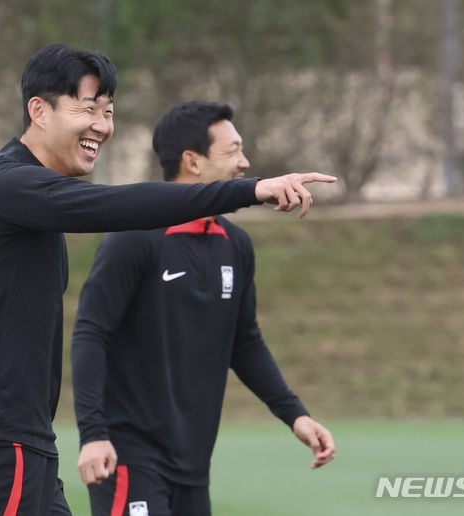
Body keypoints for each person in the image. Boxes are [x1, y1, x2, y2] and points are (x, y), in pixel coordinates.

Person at [0, 44, 336, 515]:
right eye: (88, 108)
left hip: (14, 446)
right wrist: (250, 189)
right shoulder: (7, 183)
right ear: (38, 111)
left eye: (109, 112)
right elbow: (121, 205)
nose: (102, 125)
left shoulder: (24, 207)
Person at [72, 101, 336, 516]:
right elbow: (90, 332)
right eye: (232, 151)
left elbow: (244, 343)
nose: (244, 162)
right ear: (192, 161)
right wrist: (92, 434)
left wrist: (295, 416)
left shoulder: (236, 246)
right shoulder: (134, 239)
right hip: (129, 459)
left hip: (194, 464)